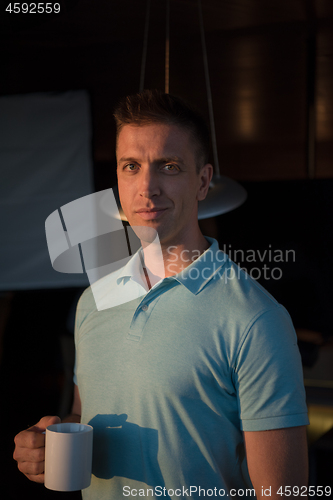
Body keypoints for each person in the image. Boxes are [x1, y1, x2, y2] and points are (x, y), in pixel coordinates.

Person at [14, 90, 309, 499]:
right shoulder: (93, 301)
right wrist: (49, 447)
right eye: (131, 166)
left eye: (168, 167)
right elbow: (85, 414)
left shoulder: (255, 319)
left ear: (203, 181)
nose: (147, 187)